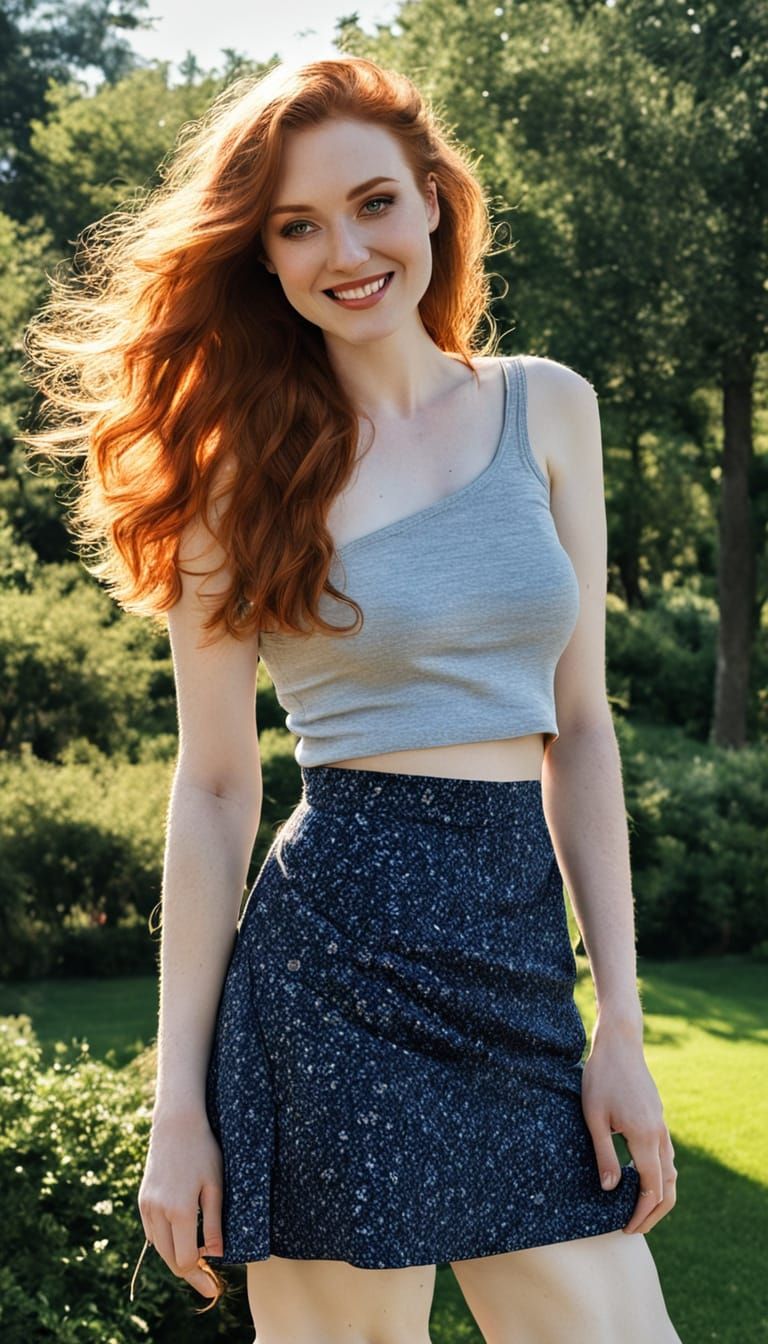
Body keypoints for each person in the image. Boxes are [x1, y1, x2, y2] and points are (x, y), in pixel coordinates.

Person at [23, 53, 682, 1344]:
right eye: (299, 225)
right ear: (263, 254)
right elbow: (217, 787)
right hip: (331, 971)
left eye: (374, 203)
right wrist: (177, 1107)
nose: (348, 252)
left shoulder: (550, 409)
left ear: (433, 198)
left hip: (516, 961)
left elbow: (583, 730)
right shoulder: (233, 478)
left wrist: (622, 1022)